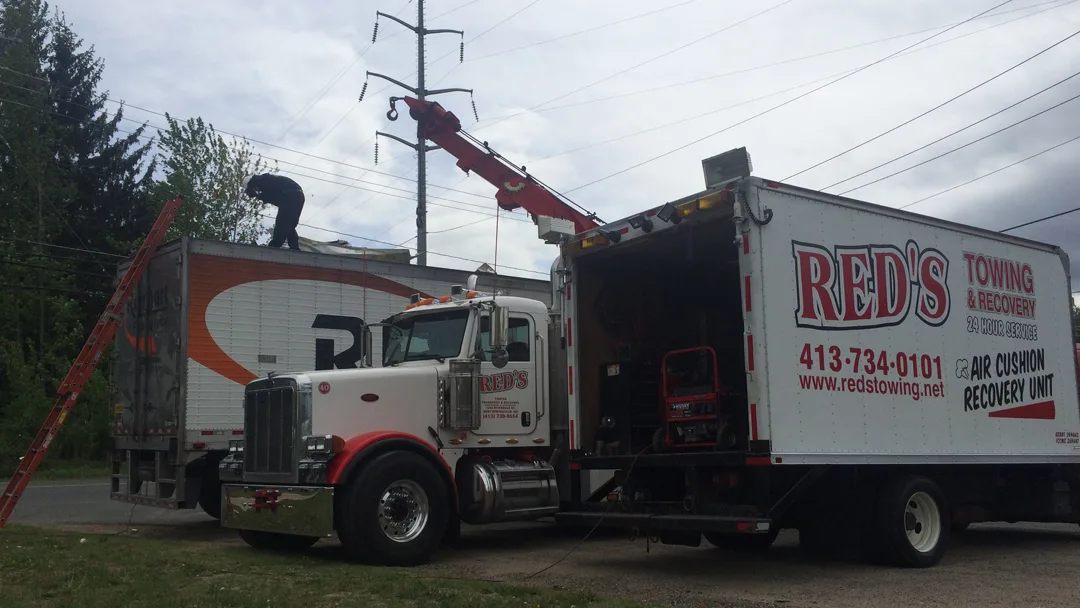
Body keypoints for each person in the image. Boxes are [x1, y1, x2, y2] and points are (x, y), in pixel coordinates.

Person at [243, 173, 306, 250]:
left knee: (282, 222)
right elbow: (273, 194)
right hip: (297, 196)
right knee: (289, 224)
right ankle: (294, 248)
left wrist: (259, 195)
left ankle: (274, 246)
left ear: (251, 184)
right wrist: (260, 196)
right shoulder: (268, 183)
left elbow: (267, 191)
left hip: (290, 196)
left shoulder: (262, 180)